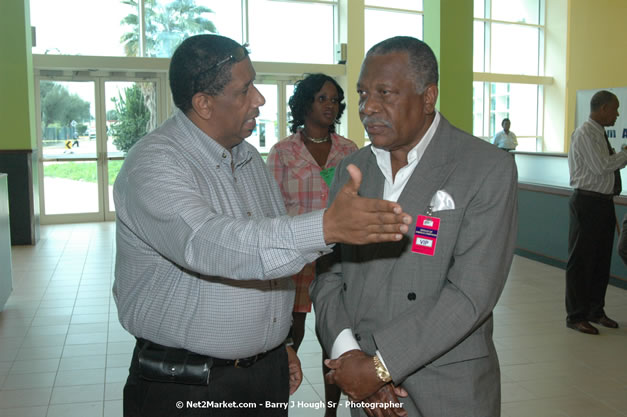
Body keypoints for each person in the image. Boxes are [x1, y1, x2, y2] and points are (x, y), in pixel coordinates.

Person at [113, 34, 412, 417]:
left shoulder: (248, 157)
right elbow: (210, 244)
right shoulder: (155, 164)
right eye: (244, 90)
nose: (259, 99)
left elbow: (267, 246)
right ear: (204, 104)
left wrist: (276, 341)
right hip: (190, 385)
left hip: (264, 372)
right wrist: (325, 228)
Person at [311, 36, 518, 417]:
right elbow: (327, 274)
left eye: (385, 93)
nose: (367, 107)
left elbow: (471, 294)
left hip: (447, 385)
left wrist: (379, 367)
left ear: (428, 97)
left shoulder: (485, 167)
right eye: (361, 93)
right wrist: (349, 356)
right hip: (366, 390)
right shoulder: (352, 169)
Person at [267, 73, 358, 417]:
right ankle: (280, 406)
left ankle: (331, 412)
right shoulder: (282, 153)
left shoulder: (350, 151)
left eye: (334, 99)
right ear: (304, 103)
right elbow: (269, 209)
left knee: (334, 335)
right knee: (290, 335)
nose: (330, 105)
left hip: (337, 259)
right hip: (294, 259)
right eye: (322, 98)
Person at [566, 90, 625, 335]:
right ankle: (576, 315)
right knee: (582, 261)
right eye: (615, 109)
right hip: (587, 203)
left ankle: (595, 310)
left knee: (601, 260)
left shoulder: (599, 133)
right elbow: (601, 166)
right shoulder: (584, 134)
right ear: (602, 109)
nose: (617, 114)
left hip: (603, 203)